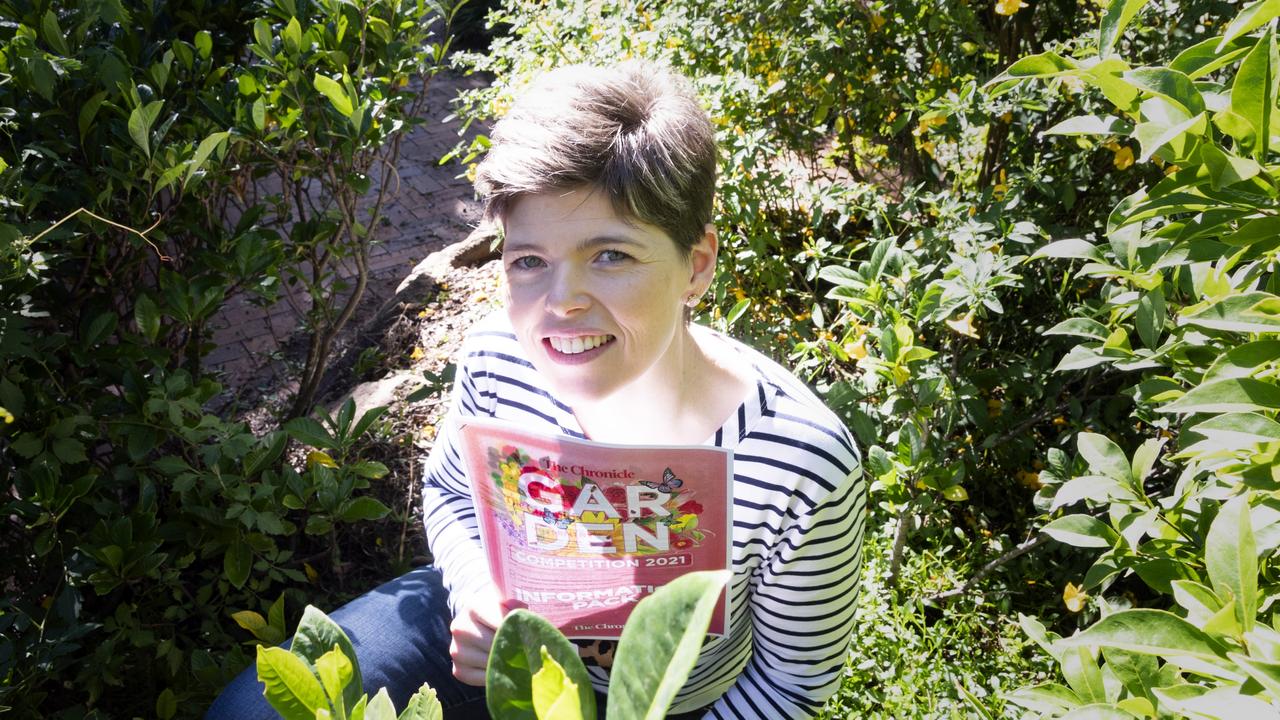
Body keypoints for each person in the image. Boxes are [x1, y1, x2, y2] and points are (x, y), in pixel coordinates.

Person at [208, 60, 865, 720]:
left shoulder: (799, 461)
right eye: (529, 261)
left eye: (610, 255)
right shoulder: (500, 358)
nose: (561, 303)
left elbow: (792, 686)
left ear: (696, 264)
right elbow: (452, 492)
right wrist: (475, 591)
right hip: (491, 645)